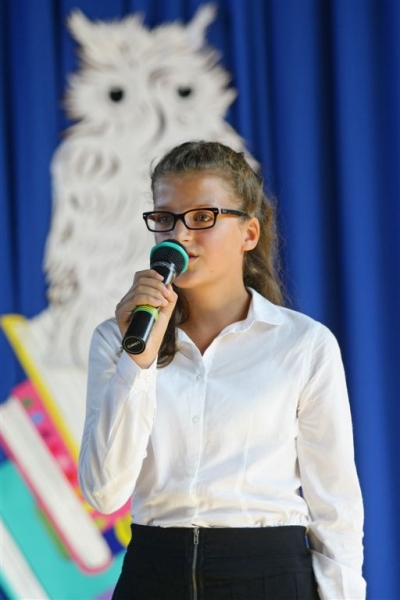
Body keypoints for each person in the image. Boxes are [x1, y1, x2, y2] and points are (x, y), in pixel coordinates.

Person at [78, 141, 366, 599]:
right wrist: (139, 361)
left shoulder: (304, 344)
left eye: (202, 217)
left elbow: (337, 506)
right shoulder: (117, 339)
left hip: (269, 575)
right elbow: (104, 493)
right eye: (165, 218)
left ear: (248, 233)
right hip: (153, 572)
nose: (180, 235)